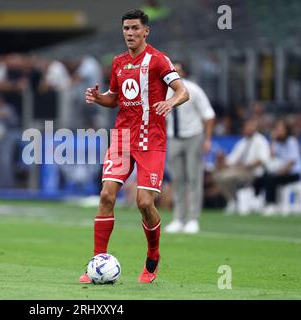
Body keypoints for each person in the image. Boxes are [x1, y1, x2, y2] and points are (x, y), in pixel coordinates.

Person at [80, 9, 189, 284]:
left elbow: (182, 91)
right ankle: (96, 261)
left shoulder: (158, 60)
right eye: (126, 29)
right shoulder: (117, 63)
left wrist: (170, 102)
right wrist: (97, 97)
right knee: (106, 195)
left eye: (135, 28)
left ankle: (153, 255)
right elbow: (114, 99)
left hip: (151, 139)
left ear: (145, 31)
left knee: (143, 202)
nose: (130, 33)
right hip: (122, 138)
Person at [164, 62, 216, 234]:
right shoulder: (164, 91)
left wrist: (207, 139)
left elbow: (208, 115)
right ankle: (178, 218)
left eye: (178, 70)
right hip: (174, 137)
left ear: (183, 72)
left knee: (194, 178)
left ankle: (193, 219)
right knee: (177, 179)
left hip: (193, 136)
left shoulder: (193, 90)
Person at [213, 119, 270, 213]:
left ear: (255, 128)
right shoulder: (242, 142)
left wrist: (247, 165)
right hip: (240, 170)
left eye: (250, 127)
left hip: (254, 171)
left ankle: (235, 201)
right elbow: (231, 160)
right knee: (218, 176)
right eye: (246, 127)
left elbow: (263, 160)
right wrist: (221, 161)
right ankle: (233, 200)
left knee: (226, 176)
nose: (248, 129)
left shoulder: (260, 140)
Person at [252, 119, 301, 215]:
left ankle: (272, 205)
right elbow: (271, 157)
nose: (277, 131)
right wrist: (273, 140)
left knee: (271, 179)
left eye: (280, 129)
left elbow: (292, 162)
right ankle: (257, 201)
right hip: (281, 172)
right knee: (261, 178)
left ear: (286, 130)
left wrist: (279, 172)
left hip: (293, 174)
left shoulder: (291, 141)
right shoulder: (278, 143)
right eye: (277, 129)